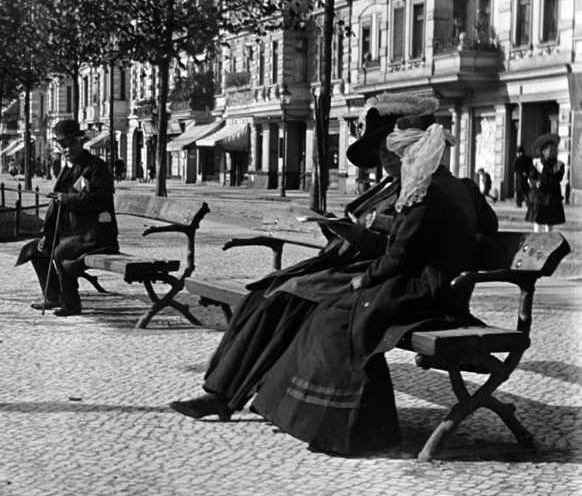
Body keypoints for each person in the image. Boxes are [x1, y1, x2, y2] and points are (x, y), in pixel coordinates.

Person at [170, 94, 496, 450]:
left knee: (304, 301)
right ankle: (224, 393)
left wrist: (387, 255)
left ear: (414, 150)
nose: (387, 163)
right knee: (272, 292)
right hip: (402, 276)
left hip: (412, 286)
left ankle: (275, 403)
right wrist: (369, 237)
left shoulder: (428, 188)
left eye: (392, 154)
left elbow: (408, 250)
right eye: (383, 156)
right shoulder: (438, 186)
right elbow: (439, 238)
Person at [249, 121, 498, 455]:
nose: (395, 166)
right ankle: (319, 418)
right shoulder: (459, 187)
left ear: (414, 156)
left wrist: (365, 279)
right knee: (335, 312)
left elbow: (401, 255)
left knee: (337, 315)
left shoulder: (425, 191)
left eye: (399, 157)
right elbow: (487, 228)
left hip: (424, 292)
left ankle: (345, 429)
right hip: (441, 287)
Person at [14, 119, 119, 317]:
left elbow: (101, 200)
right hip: (74, 232)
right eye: (63, 145)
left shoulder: (96, 167)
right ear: (58, 146)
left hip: (95, 233)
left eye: (72, 143)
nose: (68, 148)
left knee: (61, 252)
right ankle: (53, 296)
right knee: (35, 249)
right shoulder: (68, 168)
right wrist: (47, 233)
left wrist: (68, 199)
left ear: (81, 141)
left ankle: (72, 304)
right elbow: (57, 206)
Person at [526, 133, 566, 231]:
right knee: (538, 222)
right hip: (539, 197)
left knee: (550, 222)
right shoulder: (537, 163)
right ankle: (536, 240)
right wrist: (536, 183)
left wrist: (555, 170)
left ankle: (548, 240)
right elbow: (530, 178)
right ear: (544, 152)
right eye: (550, 150)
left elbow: (559, 178)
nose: (553, 152)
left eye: (555, 150)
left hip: (552, 197)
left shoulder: (559, 165)